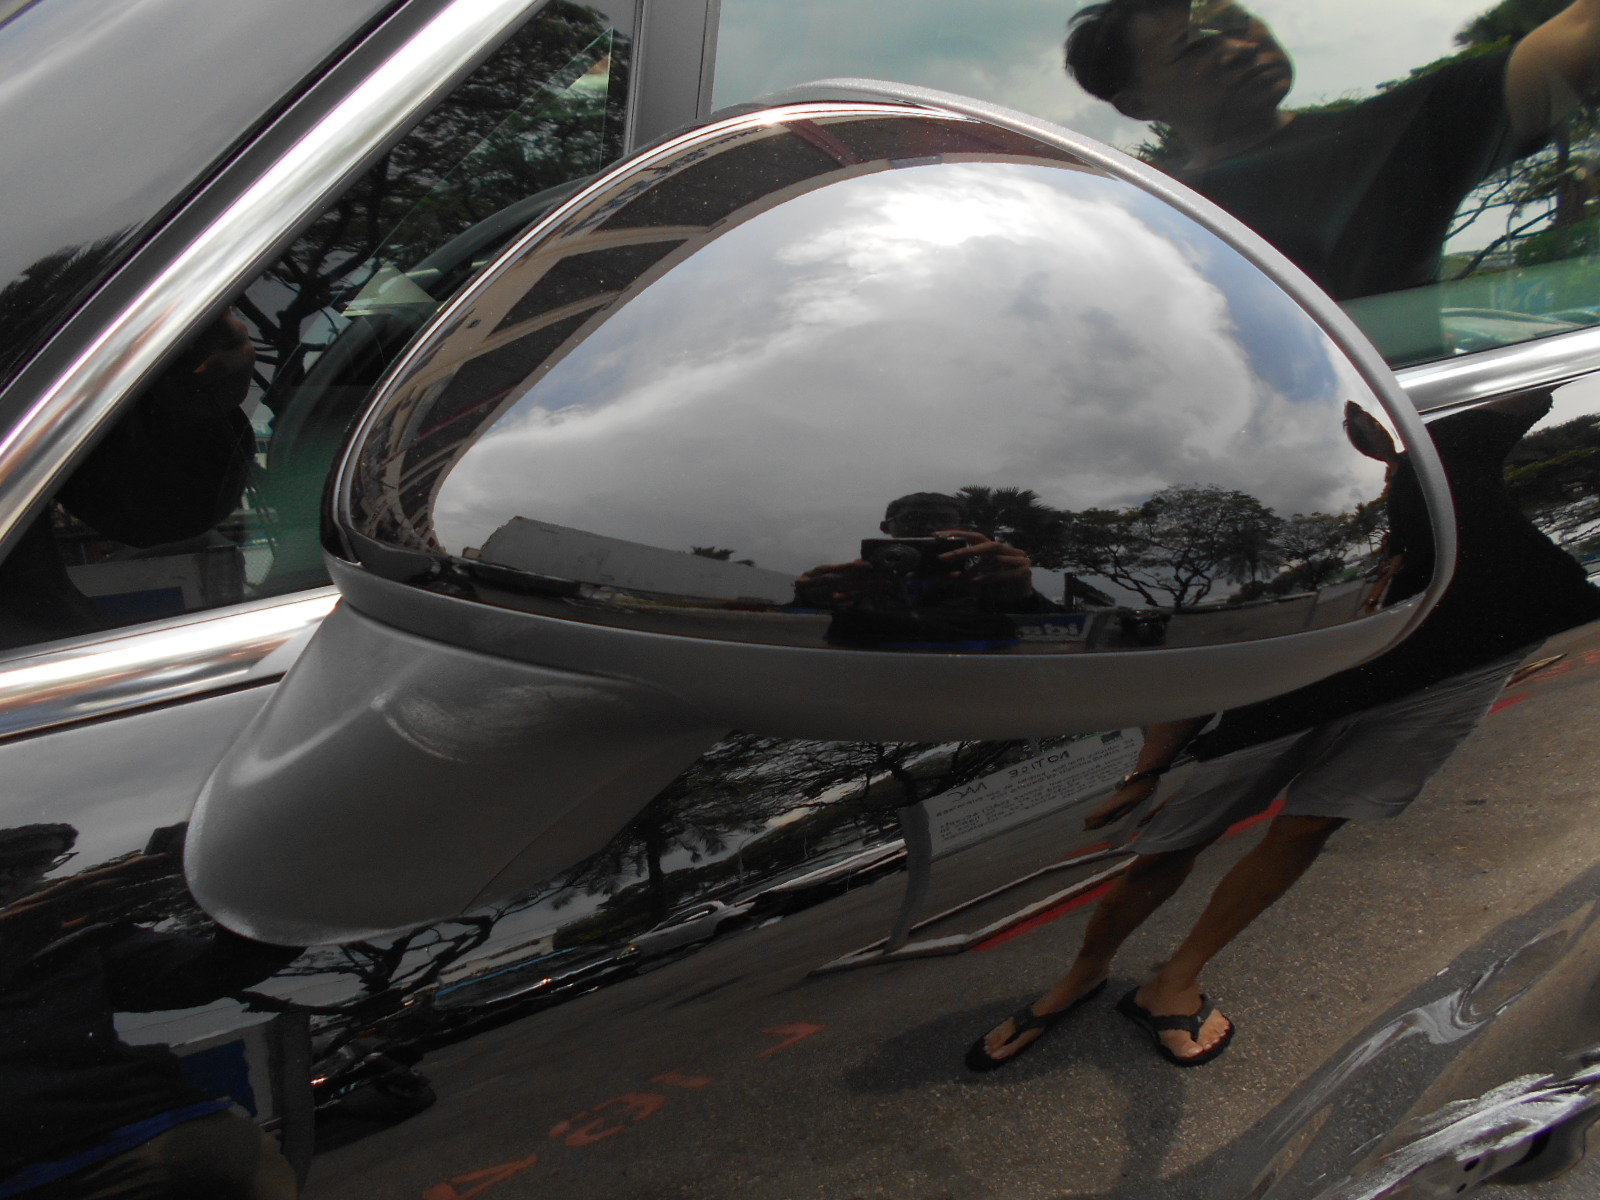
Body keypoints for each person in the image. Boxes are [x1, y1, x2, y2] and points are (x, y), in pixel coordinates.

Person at [968, 390, 1600, 1069]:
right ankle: (1082, 974)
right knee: (1172, 843)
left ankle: (1175, 978)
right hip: (1298, 687)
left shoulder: (1451, 452)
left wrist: (1409, 433)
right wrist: (1148, 771)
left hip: (1460, 665)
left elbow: (1523, 391)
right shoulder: (1292, 520)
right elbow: (1213, 654)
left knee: (1308, 826)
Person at [1062, 0, 1600, 301]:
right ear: (1138, 104)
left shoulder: (1399, 131)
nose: (1238, 47)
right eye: (1196, 47)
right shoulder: (1139, 216)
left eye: (1236, 23)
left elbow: (1583, 30)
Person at [0, 824, 304, 1198]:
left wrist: (239, 867)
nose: (12, 882)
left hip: (160, 1141)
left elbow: (216, 969)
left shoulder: (66, 945)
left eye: (21, 869)